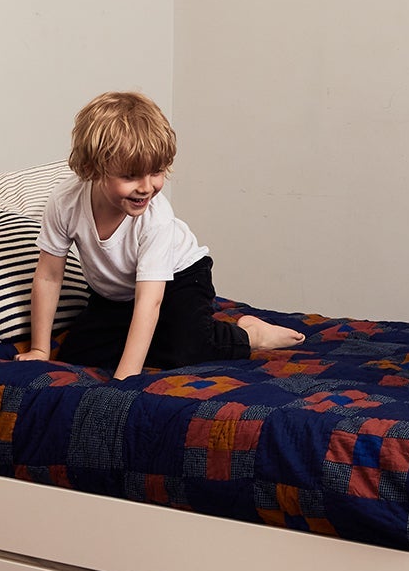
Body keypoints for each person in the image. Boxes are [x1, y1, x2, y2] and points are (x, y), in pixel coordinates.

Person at [22, 90, 304, 379]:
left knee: (186, 350)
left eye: (156, 172)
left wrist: (125, 377)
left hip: (179, 278)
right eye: (130, 176)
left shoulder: (156, 218)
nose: (147, 187)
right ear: (92, 169)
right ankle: (156, 335)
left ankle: (247, 334)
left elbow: (149, 300)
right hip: (117, 294)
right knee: (80, 353)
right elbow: (49, 276)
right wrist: (40, 350)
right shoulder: (65, 201)